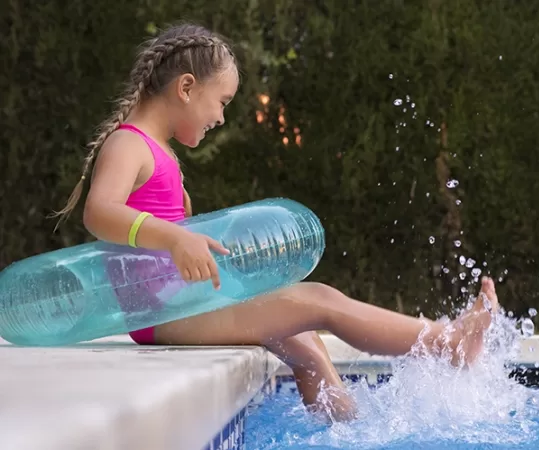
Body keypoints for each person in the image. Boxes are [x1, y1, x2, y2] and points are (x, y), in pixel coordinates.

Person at [51, 23, 501, 421]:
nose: (221, 117)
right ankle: (448, 343)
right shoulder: (129, 144)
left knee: (306, 344)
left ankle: (343, 430)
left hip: (180, 303)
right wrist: (172, 236)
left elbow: (155, 236)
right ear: (186, 88)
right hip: (162, 314)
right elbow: (100, 211)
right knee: (318, 300)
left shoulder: (159, 152)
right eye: (221, 102)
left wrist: (181, 235)